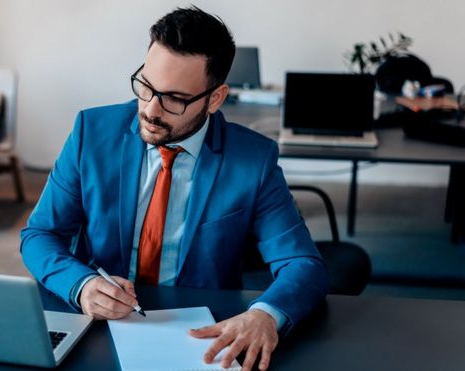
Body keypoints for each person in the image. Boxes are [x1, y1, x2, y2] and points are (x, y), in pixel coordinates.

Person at [21, 6, 328, 371]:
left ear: (215, 98)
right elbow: (40, 234)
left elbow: (302, 264)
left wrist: (264, 315)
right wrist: (82, 285)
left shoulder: (254, 160)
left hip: (201, 336)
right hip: (100, 325)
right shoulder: (92, 132)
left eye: (174, 98)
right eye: (146, 86)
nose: (151, 109)